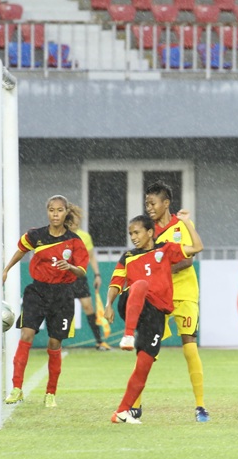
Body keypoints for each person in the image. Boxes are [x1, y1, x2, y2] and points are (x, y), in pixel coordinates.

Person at [103, 211, 204, 424]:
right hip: (133, 305)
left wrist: (186, 222)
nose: (133, 237)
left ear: (150, 232)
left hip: (156, 313)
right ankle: (128, 335)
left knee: (145, 362)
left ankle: (122, 412)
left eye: (137, 232)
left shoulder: (165, 250)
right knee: (140, 285)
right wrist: (108, 304)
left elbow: (197, 248)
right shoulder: (128, 257)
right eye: (131, 233)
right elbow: (115, 283)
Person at [131, 180, 208, 423]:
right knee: (146, 350)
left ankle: (200, 406)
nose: (149, 207)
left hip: (185, 293)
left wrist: (161, 267)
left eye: (153, 203)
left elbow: (189, 259)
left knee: (189, 345)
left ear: (166, 203)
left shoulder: (183, 225)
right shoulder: (148, 231)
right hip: (159, 295)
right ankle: (135, 405)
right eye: (146, 203)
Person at [2, 195, 89, 407]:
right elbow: (20, 251)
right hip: (38, 291)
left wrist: (70, 267)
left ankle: (51, 393)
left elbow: (81, 272)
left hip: (63, 295)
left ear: (66, 212)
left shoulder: (75, 242)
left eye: (59, 210)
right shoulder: (35, 235)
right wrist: (6, 270)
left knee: (54, 342)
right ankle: (16, 388)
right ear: (47, 212)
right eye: (52, 210)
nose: (55, 214)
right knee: (27, 334)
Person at [67, 205, 110, 351]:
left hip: (79, 277)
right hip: (62, 278)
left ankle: (99, 341)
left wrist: (97, 274)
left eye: (78, 220)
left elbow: (91, 256)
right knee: (60, 309)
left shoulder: (84, 236)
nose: (77, 223)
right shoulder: (60, 235)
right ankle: (56, 342)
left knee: (88, 307)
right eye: (74, 220)